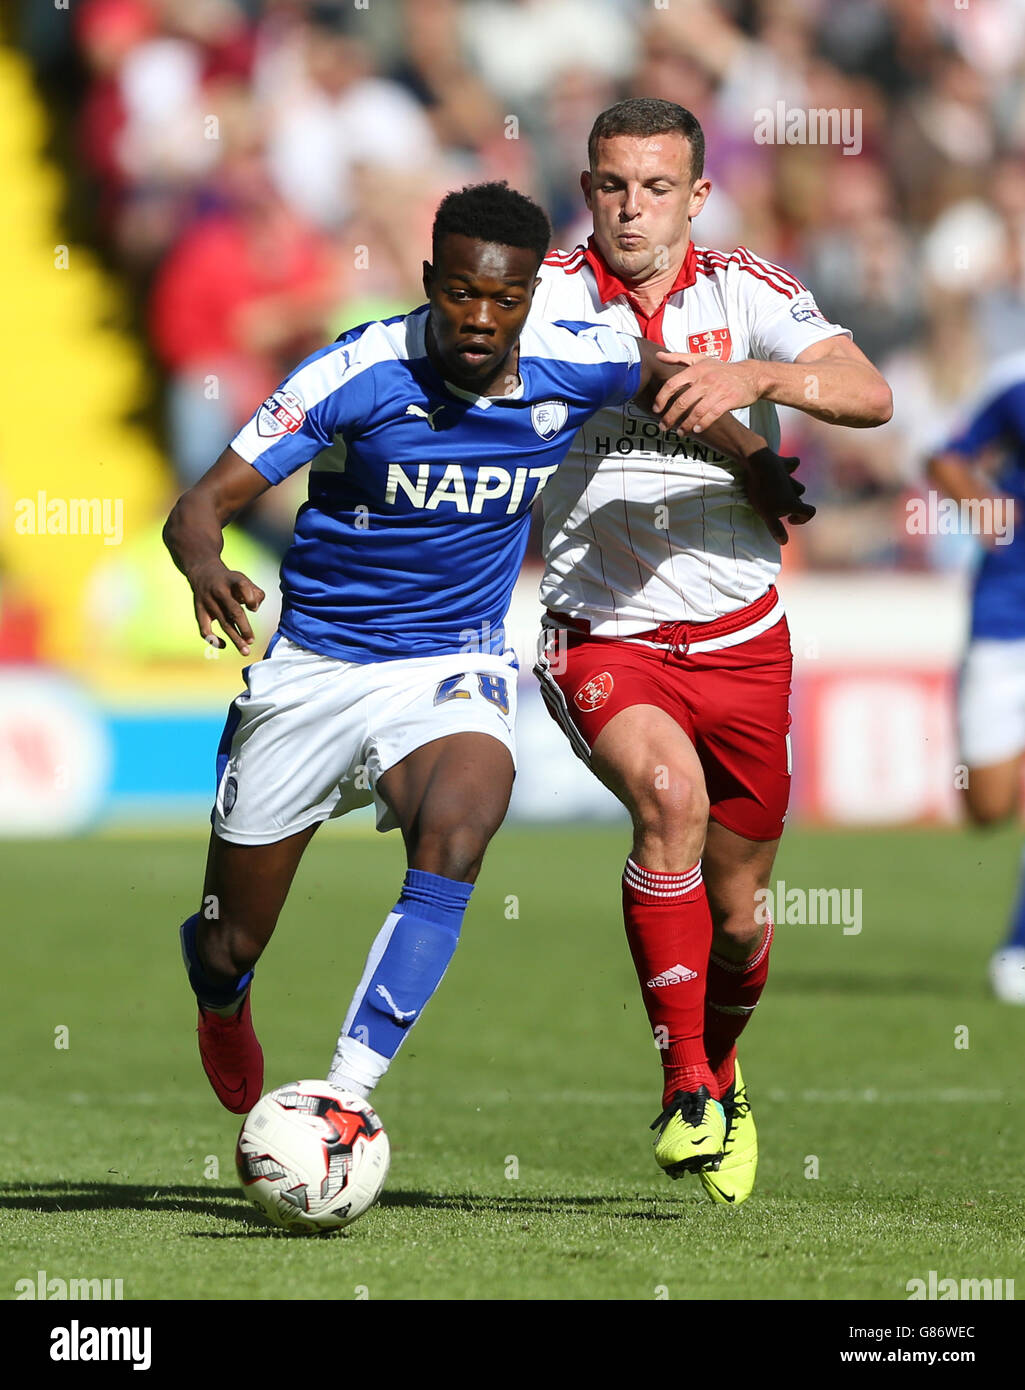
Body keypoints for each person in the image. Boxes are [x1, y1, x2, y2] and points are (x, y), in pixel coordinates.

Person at [164, 181, 810, 1124]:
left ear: (529, 301)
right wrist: (205, 565)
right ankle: (220, 1002)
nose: (480, 317)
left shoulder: (571, 358)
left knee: (462, 822)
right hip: (316, 667)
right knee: (230, 942)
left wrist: (750, 460)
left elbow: (664, 376)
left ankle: (346, 1097)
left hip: (449, 665)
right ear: (430, 281)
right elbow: (198, 505)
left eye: (505, 299)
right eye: (460, 293)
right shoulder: (354, 371)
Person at [530, 99, 893, 1203]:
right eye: (608, 185)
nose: (629, 208)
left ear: (697, 195)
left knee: (737, 918)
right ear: (584, 186)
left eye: (653, 187)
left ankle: (722, 1066)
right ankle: (685, 1083)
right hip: (600, 629)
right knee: (666, 803)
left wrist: (757, 378)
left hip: (741, 639)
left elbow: (868, 393)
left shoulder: (749, 291)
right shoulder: (538, 293)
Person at [927, 350, 1025, 1004]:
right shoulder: (1013, 379)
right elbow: (945, 456)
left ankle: (1017, 947)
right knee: (987, 808)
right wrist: (984, 511)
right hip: (1005, 613)